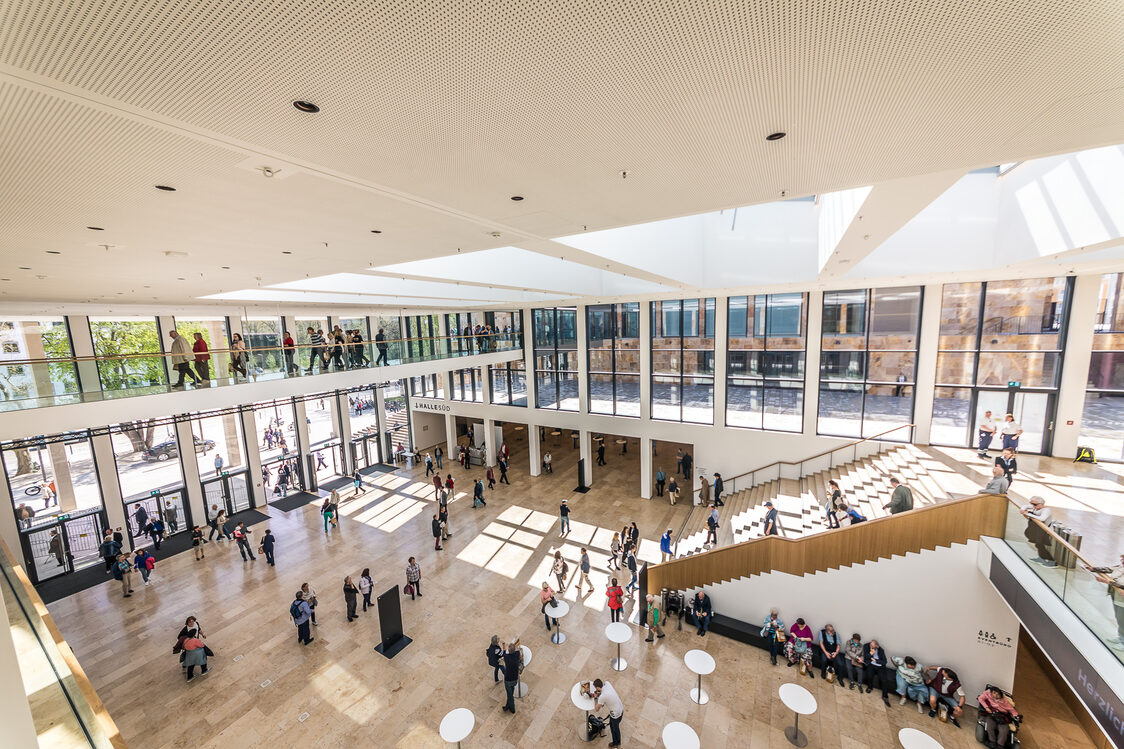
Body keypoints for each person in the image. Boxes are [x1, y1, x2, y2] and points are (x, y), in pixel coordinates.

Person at [1086, 552, 1124, 649]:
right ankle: (1121, 637)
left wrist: (1107, 582)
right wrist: (1093, 569)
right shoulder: (1121, 566)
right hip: (1116, 596)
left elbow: (1122, 586)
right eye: (1122, 559)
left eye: (1123, 560)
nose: (1121, 561)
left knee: (1122, 620)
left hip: (1122, 600)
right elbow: (1109, 569)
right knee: (1118, 618)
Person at [1020, 496, 1056, 566]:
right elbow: (1025, 506)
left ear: (1041, 504)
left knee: (1042, 546)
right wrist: (1023, 510)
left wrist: (1028, 514)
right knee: (1039, 545)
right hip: (1037, 531)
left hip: (1044, 532)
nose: (1033, 506)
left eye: (1035, 504)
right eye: (1031, 504)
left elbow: (1042, 518)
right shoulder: (1035, 507)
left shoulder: (1046, 510)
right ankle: (1041, 558)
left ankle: (1052, 562)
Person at [593, 678, 624, 747]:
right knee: (616, 728)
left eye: (595, 688)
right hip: (621, 709)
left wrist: (595, 698)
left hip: (615, 714)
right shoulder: (607, 683)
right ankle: (618, 741)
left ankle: (615, 744)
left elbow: (596, 709)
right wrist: (598, 694)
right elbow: (606, 694)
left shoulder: (602, 697)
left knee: (613, 729)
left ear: (597, 687)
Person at [863, 638, 891, 705]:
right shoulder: (866, 646)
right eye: (871, 645)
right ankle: (870, 687)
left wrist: (876, 660)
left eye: (873, 646)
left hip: (880, 666)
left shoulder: (881, 650)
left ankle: (885, 696)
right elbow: (865, 657)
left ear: (876, 646)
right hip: (871, 664)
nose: (871, 647)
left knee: (884, 680)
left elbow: (884, 662)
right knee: (869, 675)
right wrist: (870, 654)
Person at [501, 640, 521, 713]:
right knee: (510, 693)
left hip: (508, 679)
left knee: (510, 696)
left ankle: (512, 709)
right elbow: (517, 650)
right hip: (515, 678)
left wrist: (503, 644)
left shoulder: (506, 657)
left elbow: (503, 651)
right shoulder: (517, 654)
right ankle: (507, 706)